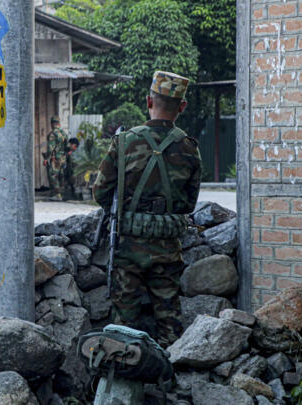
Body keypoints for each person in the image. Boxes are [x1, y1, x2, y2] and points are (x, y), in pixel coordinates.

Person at [93, 71, 202, 346]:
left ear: (148, 101)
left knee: (123, 324)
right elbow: (189, 204)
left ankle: (124, 377)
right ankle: (171, 376)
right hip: (167, 248)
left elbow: (101, 193)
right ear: (182, 107)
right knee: (169, 322)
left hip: (127, 247)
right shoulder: (189, 149)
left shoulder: (124, 142)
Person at [42, 116, 69, 200]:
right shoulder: (64, 133)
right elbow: (67, 147)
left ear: (52, 123)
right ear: (59, 123)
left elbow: (51, 148)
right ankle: (62, 194)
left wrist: (46, 158)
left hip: (55, 158)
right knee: (61, 175)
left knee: (53, 176)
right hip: (63, 158)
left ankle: (57, 195)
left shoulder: (52, 134)